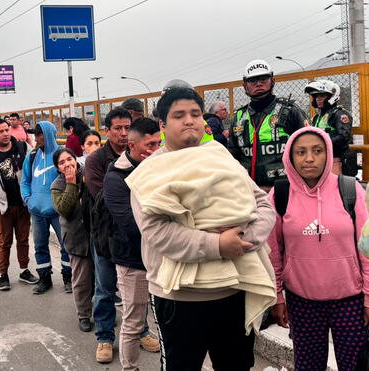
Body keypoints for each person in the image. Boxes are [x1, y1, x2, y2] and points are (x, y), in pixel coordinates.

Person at [129, 87, 276, 370]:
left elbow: (263, 205)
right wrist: (218, 246)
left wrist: (245, 239)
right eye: (179, 115)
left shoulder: (221, 157)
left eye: (195, 114)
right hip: (179, 298)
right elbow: (158, 232)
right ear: (162, 125)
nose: (189, 121)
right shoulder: (149, 173)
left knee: (236, 365)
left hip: (233, 288)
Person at [268, 127, 369, 371]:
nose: (309, 158)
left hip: (350, 301)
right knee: (308, 366)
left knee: (355, 366)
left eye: (317, 151)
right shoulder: (280, 194)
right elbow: (273, 253)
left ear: (328, 154)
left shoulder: (351, 190)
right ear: (290, 157)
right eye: (300, 152)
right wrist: (277, 295)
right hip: (302, 302)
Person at [84, 107, 159, 363]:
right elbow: (102, 198)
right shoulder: (98, 161)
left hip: (137, 241)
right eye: (118, 128)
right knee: (105, 288)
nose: (123, 133)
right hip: (107, 236)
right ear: (108, 131)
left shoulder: (148, 159)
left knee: (138, 295)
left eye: (128, 127)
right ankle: (104, 337)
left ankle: (142, 331)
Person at [103, 118, 162, 371]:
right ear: (132, 145)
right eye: (150, 145)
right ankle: (130, 368)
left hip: (162, 257)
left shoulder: (162, 166)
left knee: (168, 322)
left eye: (159, 143)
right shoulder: (116, 176)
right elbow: (131, 225)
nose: (155, 150)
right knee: (134, 321)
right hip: (133, 260)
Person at [0, 118, 38, 291]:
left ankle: (24, 270)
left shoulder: (22, 147)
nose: (5, 134)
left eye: (7, 130)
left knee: (23, 239)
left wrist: (31, 196)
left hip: (23, 204)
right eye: (0, 131)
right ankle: (3, 275)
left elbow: (35, 166)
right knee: (4, 242)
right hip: (3, 207)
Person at [228, 59, 307, 191]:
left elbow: (306, 148)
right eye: (253, 80)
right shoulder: (238, 116)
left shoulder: (290, 110)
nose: (258, 83)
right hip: (248, 189)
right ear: (245, 85)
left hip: (285, 188)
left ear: (272, 81)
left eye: (263, 79)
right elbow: (233, 153)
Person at [21, 121, 72, 295]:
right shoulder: (32, 156)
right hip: (36, 212)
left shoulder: (61, 155)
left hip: (59, 211)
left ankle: (68, 277)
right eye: (35, 134)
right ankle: (45, 279)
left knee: (66, 245)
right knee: (40, 246)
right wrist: (28, 199)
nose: (37, 138)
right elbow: (25, 180)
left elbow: (71, 178)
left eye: (40, 134)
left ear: (49, 134)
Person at [51, 148, 94, 331]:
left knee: (102, 278)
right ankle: (84, 314)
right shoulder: (57, 185)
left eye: (70, 159)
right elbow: (64, 210)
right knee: (82, 279)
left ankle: (102, 311)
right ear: (58, 168)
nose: (67, 164)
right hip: (76, 237)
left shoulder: (89, 174)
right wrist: (70, 184)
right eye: (62, 162)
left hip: (95, 234)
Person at [304, 80, 353, 175]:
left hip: (335, 159)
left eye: (322, 96)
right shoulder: (316, 117)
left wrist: (321, 142)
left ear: (332, 97)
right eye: (315, 96)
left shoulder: (340, 114)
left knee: (334, 187)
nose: (318, 99)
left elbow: (343, 137)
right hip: (318, 159)